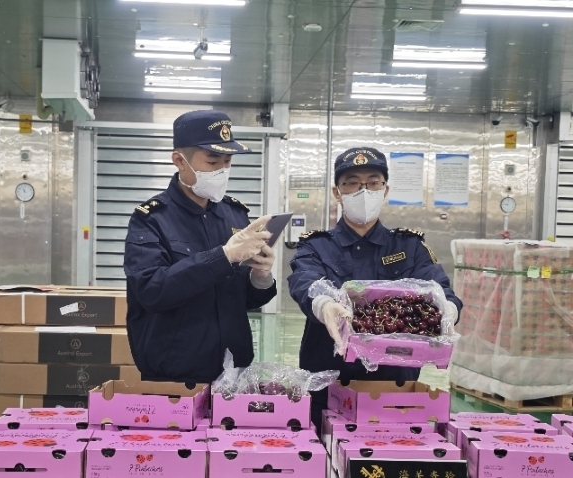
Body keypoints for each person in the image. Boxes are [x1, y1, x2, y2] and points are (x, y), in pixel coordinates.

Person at [287, 146, 462, 434]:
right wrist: (323, 305)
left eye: (372, 183)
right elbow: (304, 280)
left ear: (385, 190)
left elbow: (440, 289)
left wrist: (449, 310)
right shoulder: (316, 245)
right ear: (337, 192)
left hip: (394, 385)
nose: (363, 191)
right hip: (330, 383)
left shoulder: (409, 246)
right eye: (352, 183)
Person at [124, 110, 278, 386]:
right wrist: (224, 256)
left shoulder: (235, 215)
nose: (222, 170)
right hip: (175, 376)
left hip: (235, 372)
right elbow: (151, 291)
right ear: (179, 161)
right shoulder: (151, 219)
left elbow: (244, 300)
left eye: (227, 162)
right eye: (212, 161)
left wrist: (261, 277)